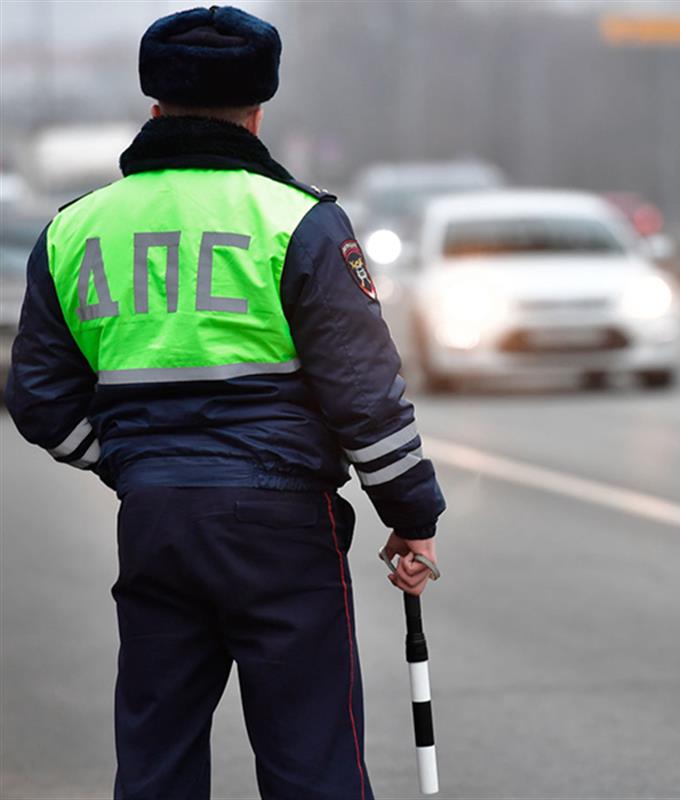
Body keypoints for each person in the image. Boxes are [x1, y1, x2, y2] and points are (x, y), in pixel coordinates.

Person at [5, 6, 445, 798]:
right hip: (282, 526)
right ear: (258, 110)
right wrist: (412, 517)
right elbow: (366, 399)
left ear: (154, 108)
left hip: (156, 521)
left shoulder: (76, 230)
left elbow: (36, 397)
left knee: (157, 760)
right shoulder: (299, 222)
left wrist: (136, 464)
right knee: (312, 762)